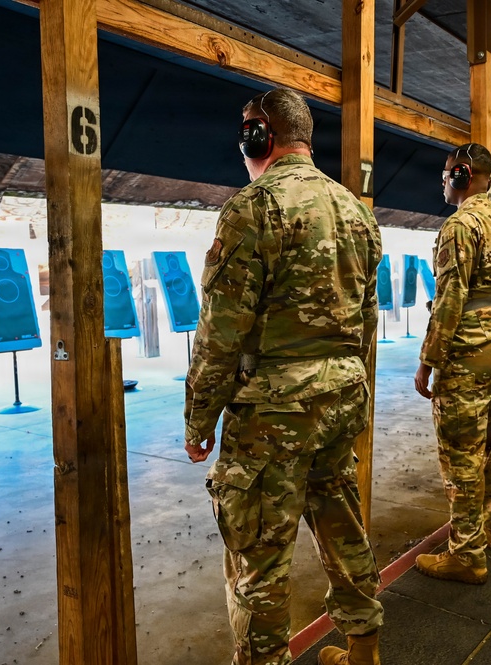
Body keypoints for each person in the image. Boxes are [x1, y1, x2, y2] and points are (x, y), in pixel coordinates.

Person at [183, 88, 384, 665]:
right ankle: (364, 647)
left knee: (260, 554)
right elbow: (366, 321)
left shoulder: (253, 206)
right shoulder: (356, 211)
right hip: (342, 395)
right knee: (340, 518)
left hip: (275, 410)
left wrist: (199, 418)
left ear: (259, 137)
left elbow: (221, 332)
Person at [413, 143, 491, 584]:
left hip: (467, 349)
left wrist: (428, 360)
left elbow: (450, 298)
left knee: (461, 451)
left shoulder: (460, 226)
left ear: (462, 175)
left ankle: (466, 554)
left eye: (446, 175)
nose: (443, 182)